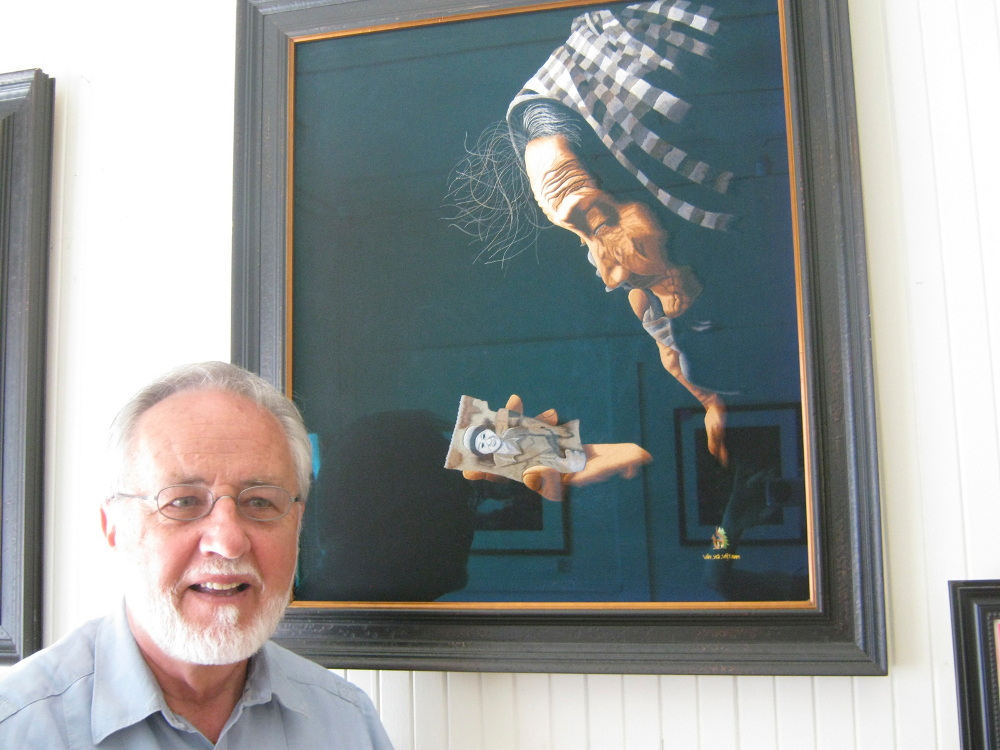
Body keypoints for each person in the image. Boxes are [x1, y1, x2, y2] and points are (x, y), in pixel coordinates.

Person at [0, 362, 393, 749]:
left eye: (260, 501)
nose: (228, 541)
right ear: (113, 527)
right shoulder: (20, 727)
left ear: (298, 523)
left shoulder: (347, 723)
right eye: (183, 501)